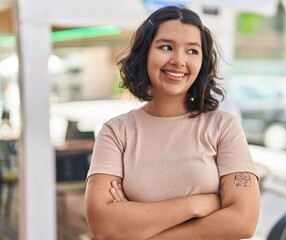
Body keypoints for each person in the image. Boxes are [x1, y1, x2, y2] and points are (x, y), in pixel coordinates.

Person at [85, 5, 260, 240]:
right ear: (145, 53)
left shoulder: (223, 127)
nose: (178, 60)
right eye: (166, 47)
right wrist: (198, 204)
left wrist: (138, 228)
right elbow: (103, 225)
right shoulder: (116, 132)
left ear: (203, 62)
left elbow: (243, 221)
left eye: (192, 51)